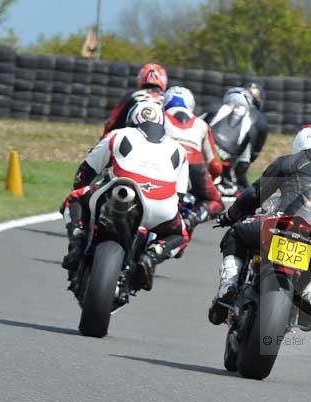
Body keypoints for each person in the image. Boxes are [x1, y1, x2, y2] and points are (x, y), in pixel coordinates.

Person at [208, 124, 311, 325]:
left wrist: (230, 216)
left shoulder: (287, 162)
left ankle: (229, 284)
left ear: (299, 143)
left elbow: (254, 195)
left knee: (236, 233)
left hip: (279, 226)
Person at [62, 100, 190, 290]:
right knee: (181, 235)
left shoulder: (118, 135)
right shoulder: (179, 150)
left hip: (119, 192)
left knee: (75, 198)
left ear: (132, 119)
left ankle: (77, 242)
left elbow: (85, 171)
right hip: (160, 207)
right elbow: (179, 197)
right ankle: (153, 254)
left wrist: (81, 193)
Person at [163, 86, 224, 231]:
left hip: (164, 160)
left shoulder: (159, 117)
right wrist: (210, 179)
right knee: (216, 202)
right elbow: (216, 165)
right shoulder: (202, 124)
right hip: (194, 164)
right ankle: (193, 218)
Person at [201, 83, 269, 194]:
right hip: (226, 175)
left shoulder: (213, 108)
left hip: (199, 162)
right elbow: (247, 160)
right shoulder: (258, 119)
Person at [102, 63, 168, 137]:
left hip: (133, 142)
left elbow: (112, 123)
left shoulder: (132, 97)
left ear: (141, 77)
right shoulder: (168, 100)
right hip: (163, 142)